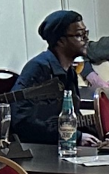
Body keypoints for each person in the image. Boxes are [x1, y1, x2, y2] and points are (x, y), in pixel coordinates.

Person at [10, 10, 98, 147]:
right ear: (61, 41)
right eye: (79, 35)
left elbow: (72, 117)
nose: (86, 39)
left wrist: (100, 133)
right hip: (39, 151)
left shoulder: (70, 72)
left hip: (61, 147)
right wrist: (75, 136)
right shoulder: (38, 69)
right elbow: (22, 121)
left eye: (85, 33)